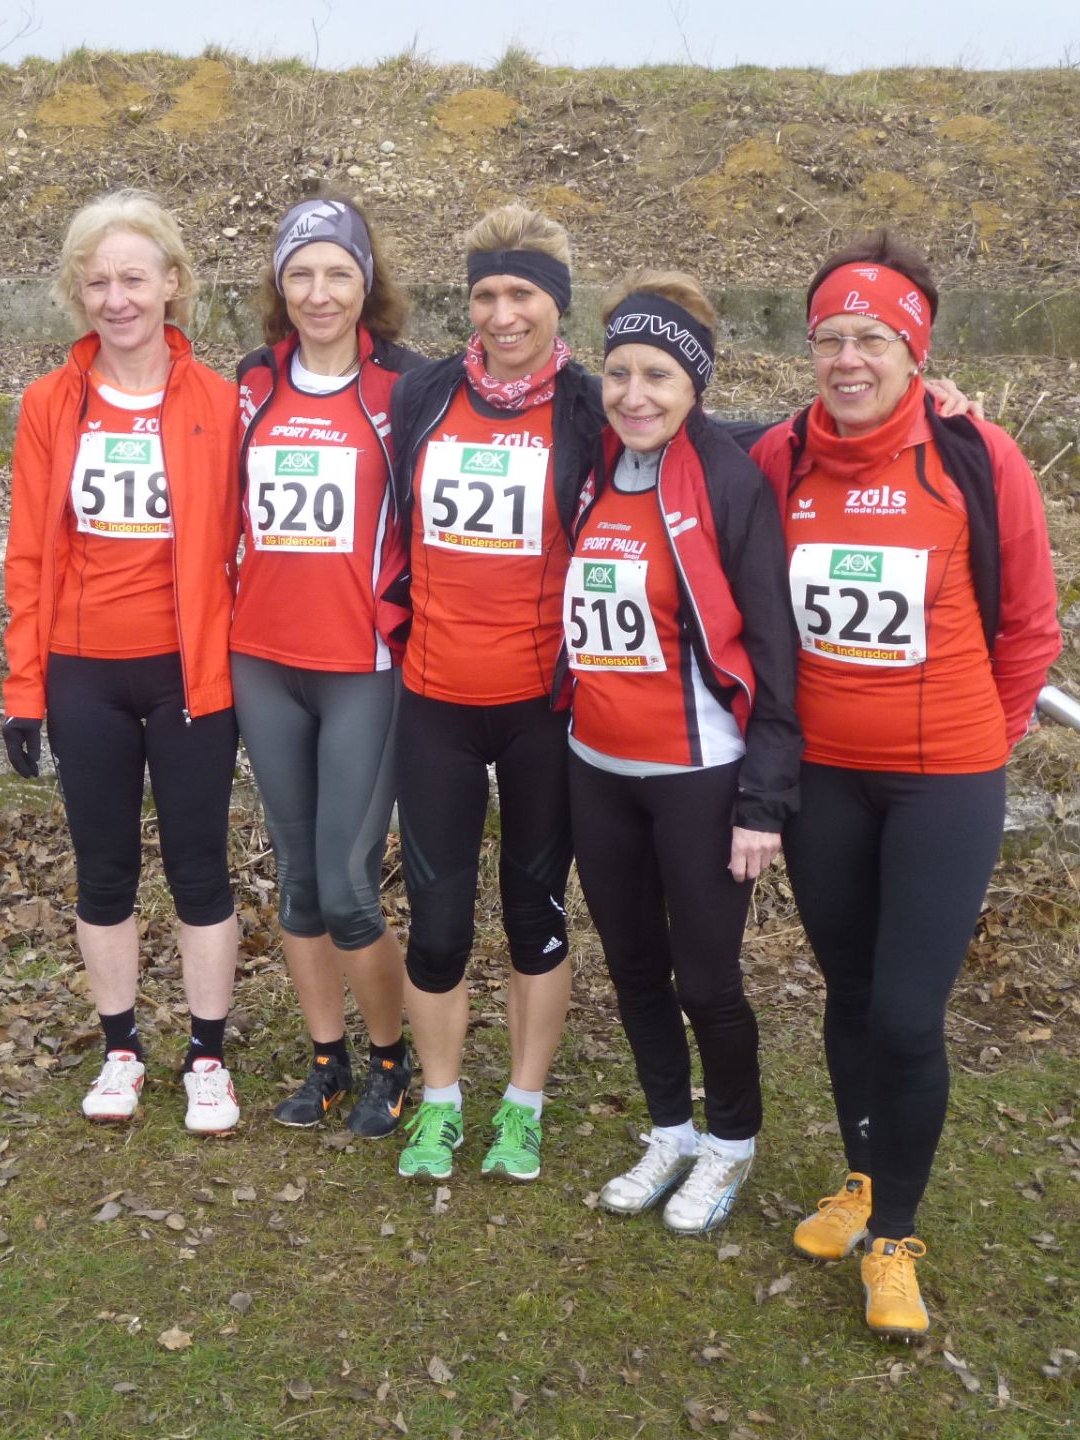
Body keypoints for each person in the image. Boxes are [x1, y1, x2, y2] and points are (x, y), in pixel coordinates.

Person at [750, 233, 1061, 1335]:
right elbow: (674, 450)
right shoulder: (778, 456)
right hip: (823, 775)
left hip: (943, 781)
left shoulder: (976, 455)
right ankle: (864, 1176)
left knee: (906, 1013)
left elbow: (1030, 624)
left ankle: (896, 1237)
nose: (847, 359)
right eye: (829, 338)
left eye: (871, 339)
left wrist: (986, 740)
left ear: (914, 352)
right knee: (847, 994)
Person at [0, 190, 245, 1135]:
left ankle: (208, 1057)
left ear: (172, 283)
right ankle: (121, 1049)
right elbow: (29, 554)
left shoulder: (221, 402)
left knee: (199, 867)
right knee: (103, 869)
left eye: (134, 278)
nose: (117, 298)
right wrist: (24, 690)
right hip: (83, 670)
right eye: (97, 281)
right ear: (78, 292)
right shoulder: (49, 403)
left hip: (189, 671)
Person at [565, 272, 801, 1235]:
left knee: (706, 980)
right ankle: (669, 1129)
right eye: (618, 372)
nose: (634, 395)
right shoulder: (588, 462)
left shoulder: (730, 483)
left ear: (696, 383)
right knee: (632, 968)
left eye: (658, 375)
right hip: (596, 768)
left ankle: (731, 1142)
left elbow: (774, 650)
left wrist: (763, 800)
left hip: (699, 777)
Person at [385, 204, 604, 1183]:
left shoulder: (592, 408)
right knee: (436, 924)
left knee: (535, 915)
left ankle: (523, 1105)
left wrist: (917, 405)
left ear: (557, 303)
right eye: (485, 294)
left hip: (541, 710)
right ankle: (439, 1104)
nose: (502, 314)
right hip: (434, 700)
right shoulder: (425, 394)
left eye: (522, 294)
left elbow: (712, 438)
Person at [232, 196, 424, 1138]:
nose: (319, 292)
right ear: (280, 285)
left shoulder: (407, 388)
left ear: (365, 283)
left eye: (338, 273)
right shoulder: (251, 382)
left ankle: (392, 1060)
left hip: (362, 666)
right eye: (300, 273)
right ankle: (327, 1060)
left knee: (349, 887)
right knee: (299, 883)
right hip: (263, 662)